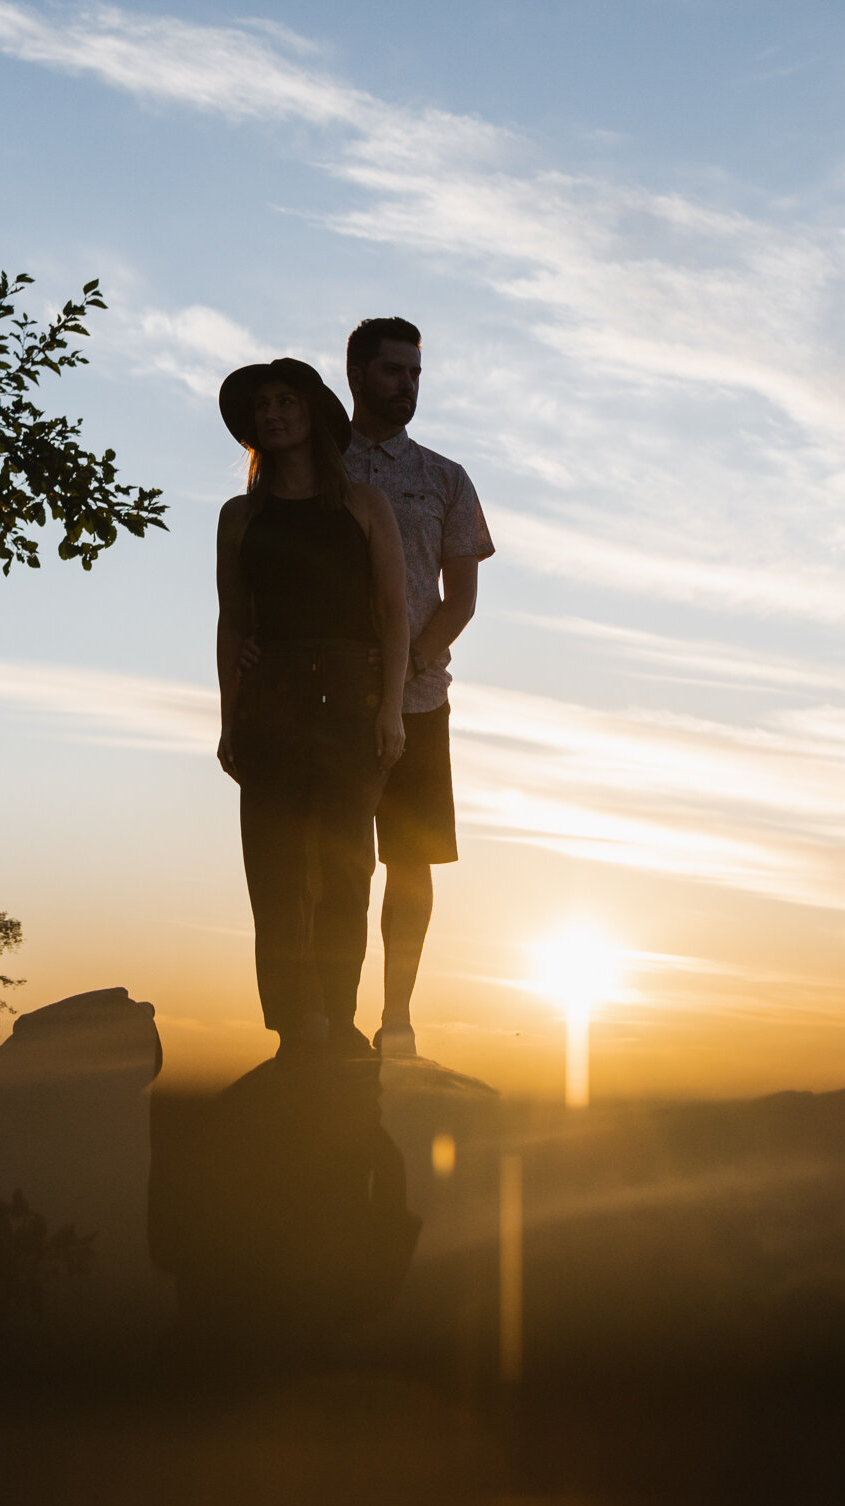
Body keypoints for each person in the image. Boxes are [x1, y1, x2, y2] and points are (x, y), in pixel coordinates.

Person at [215, 357, 411, 1062]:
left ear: (313, 414)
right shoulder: (240, 516)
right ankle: (296, 1025)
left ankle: (337, 1014)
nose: (273, 412)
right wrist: (228, 715)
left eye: (287, 400)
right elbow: (233, 622)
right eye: (263, 404)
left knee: (346, 869)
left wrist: (390, 709)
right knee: (274, 873)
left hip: (349, 700)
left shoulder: (365, 506)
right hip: (272, 701)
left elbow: (393, 614)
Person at [339, 318, 495, 1058]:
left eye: (416, 372)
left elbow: (460, 598)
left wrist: (413, 666)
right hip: (326, 698)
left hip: (420, 704)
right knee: (331, 863)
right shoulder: (314, 465)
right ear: (358, 373)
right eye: (394, 370)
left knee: (412, 862)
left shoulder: (445, 477)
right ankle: (328, 1021)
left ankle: (395, 1017)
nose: (408, 384)